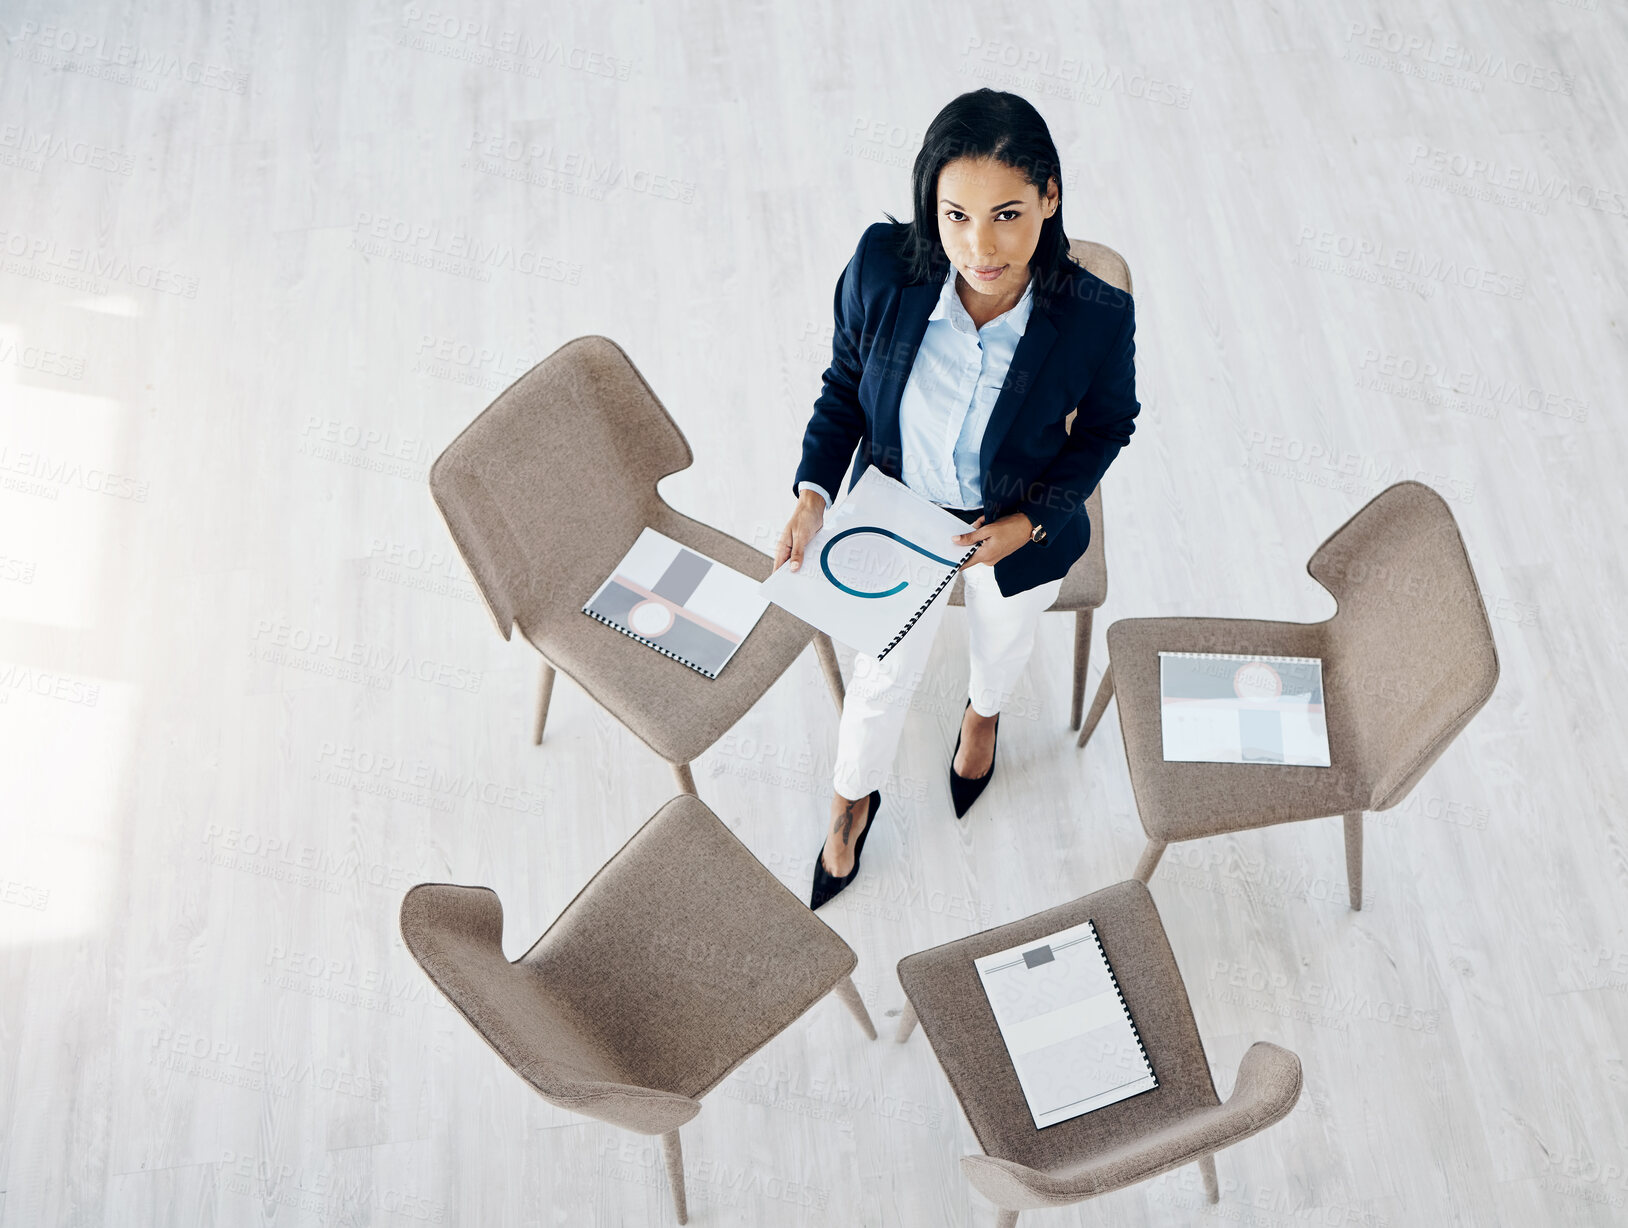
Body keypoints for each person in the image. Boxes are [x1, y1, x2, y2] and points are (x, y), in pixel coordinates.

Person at [774, 88, 1141, 910]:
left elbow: (1109, 426)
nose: (981, 247)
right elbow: (842, 386)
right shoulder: (881, 267)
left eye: (1008, 213)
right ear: (928, 209)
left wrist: (1027, 523)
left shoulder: (1095, 318)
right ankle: (852, 801)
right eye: (956, 216)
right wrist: (812, 492)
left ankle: (983, 720)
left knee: (1002, 645)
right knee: (878, 682)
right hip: (901, 518)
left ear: (1050, 197)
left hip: (1015, 533)